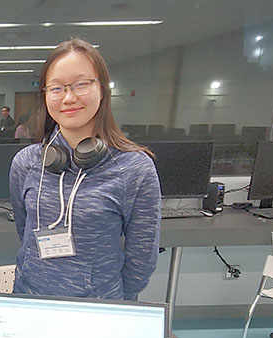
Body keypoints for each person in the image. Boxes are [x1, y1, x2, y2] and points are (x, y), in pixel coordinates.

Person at [9, 38, 160, 300]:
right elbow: (25, 232)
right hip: (30, 301)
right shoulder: (27, 162)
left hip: (98, 309)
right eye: (56, 88)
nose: (69, 97)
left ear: (102, 89)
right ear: (45, 95)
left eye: (81, 84)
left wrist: (111, 303)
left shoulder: (134, 168)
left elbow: (142, 258)